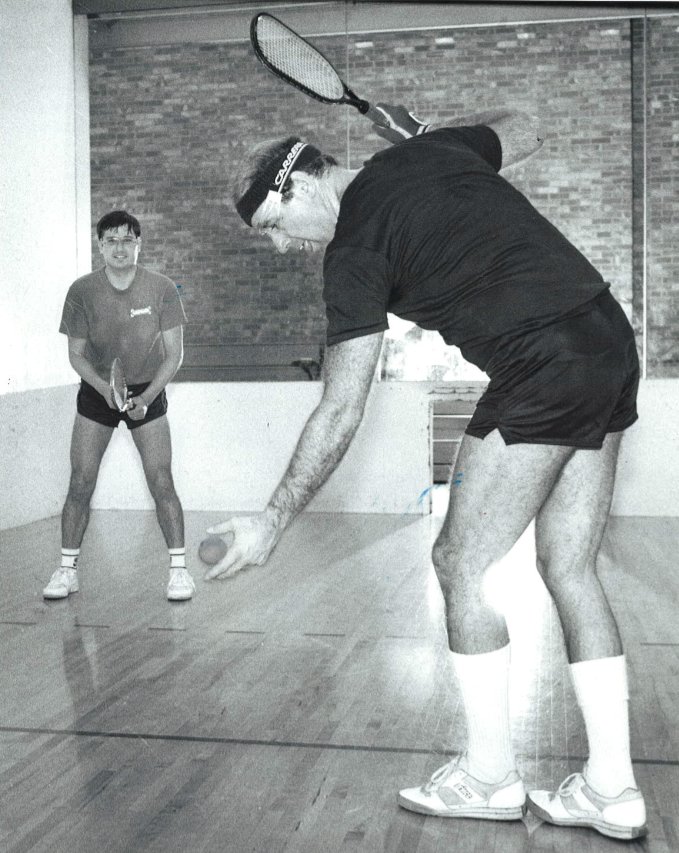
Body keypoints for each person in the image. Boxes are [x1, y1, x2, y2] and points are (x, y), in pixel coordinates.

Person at [207, 104, 645, 840]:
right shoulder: (431, 152)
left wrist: (271, 520)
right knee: (569, 566)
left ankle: (489, 775)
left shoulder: (353, 249)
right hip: (606, 338)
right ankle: (612, 789)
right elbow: (528, 125)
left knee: (459, 564)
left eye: (274, 226)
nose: (281, 246)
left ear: (301, 186)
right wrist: (437, 132)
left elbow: (341, 409)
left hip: (539, 364)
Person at [43, 210, 195, 602]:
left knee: (161, 480)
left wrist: (146, 398)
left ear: (139, 244)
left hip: (148, 389)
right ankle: (67, 570)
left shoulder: (162, 288)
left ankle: (179, 572)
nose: (120, 248)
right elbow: (76, 355)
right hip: (98, 389)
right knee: (81, 480)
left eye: (127, 240)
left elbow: (174, 355)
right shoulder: (81, 291)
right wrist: (104, 390)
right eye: (111, 241)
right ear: (100, 246)